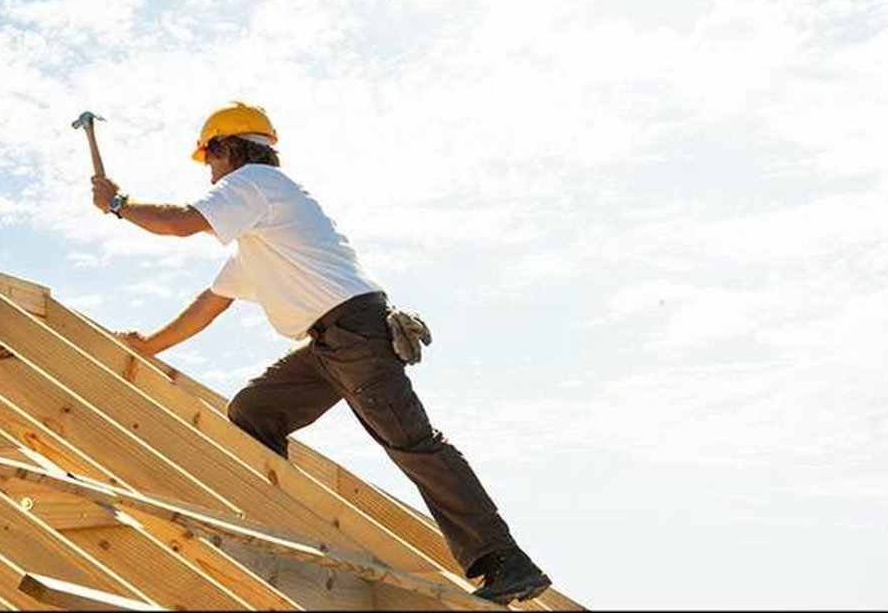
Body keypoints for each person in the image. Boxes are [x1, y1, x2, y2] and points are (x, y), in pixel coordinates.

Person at [91, 101, 551, 605]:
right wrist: (149, 346)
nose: (209, 172)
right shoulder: (265, 232)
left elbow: (180, 223)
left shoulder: (256, 187)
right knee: (254, 411)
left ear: (227, 150)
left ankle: (507, 562)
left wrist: (119, 204)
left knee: (412, 444)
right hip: (332, 342)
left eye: (209, 159)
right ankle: (282, 519)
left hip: (354, 333)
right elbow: (211, 304)